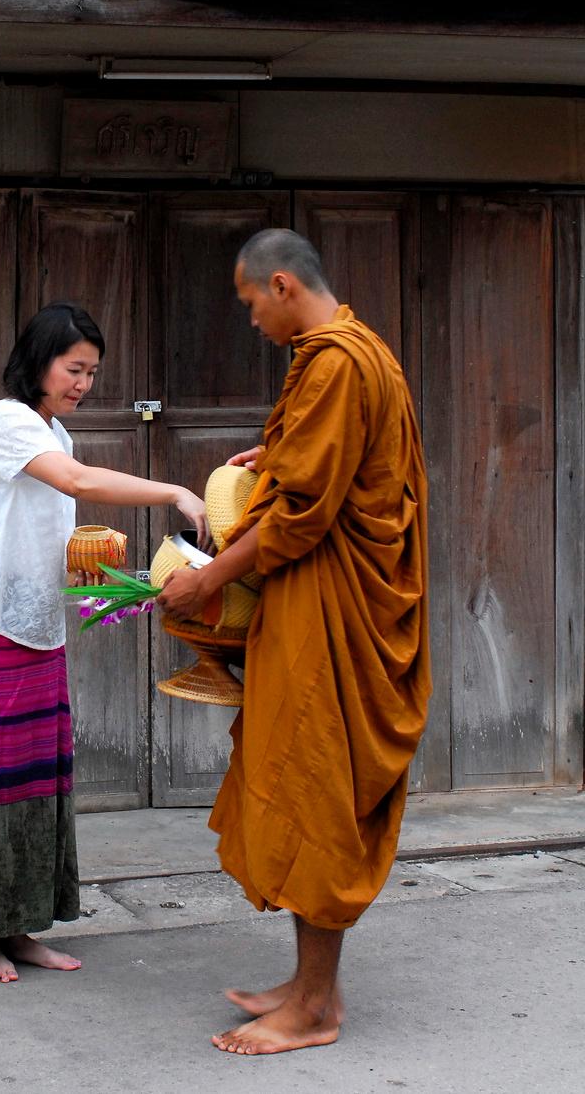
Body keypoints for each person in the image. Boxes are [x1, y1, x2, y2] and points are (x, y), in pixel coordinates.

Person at [158, 228, 431, 1056]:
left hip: (333, 616)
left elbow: (305, 515)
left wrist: (208, 580)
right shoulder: (359, 350)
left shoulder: (339, 361)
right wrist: (276, 452)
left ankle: (314, 1009)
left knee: (316, 789)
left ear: (281, 285)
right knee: (310, 782)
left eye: (249, 304)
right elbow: (328, 467)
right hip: (333, 607)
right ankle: (313, 985)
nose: (250, 322)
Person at [0, 300, 208, 984]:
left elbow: (51, 527)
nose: (83, 383)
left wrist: (114, 579)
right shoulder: (6, 421)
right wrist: (174, 490)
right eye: (74, 368)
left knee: (33, 776)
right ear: (40, 360)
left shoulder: (54, 432)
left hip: (35, 623)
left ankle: (19, 925)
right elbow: (77, 484)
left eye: (92, 372)